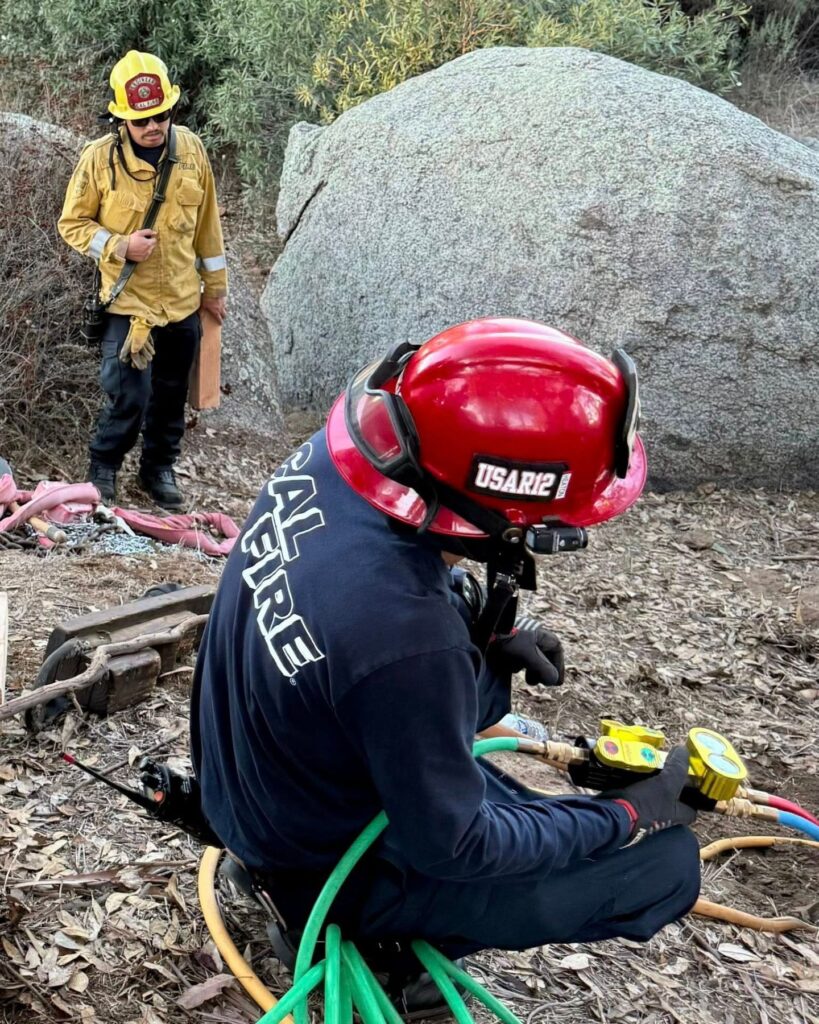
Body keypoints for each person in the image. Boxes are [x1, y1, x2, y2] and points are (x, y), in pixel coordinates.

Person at [190, 318, 700, 1011]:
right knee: (665, 867)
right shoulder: (407, 638)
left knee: (510, 801)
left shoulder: (336, 459)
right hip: (313, 861)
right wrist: (626, 812)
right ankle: (375, 940)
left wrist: (487, 645)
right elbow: (460, 846)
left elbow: (375, 629)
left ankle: (298, 881)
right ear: (509, 508)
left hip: (244, 781)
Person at [59, 50, 228, 509]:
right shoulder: (99, 160)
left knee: (171, 396)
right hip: (128, 305)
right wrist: (119, 246)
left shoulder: (191, 150)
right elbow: (72, 224)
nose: (153, 127)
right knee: (128, 395)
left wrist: (214, 289)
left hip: (181, 301)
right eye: (141, 121)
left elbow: (208, 226)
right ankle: (104, 467)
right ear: (121, 120)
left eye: (161, 116)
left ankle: (158, 470)